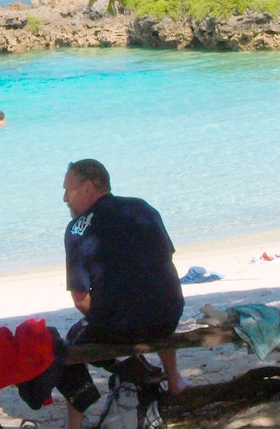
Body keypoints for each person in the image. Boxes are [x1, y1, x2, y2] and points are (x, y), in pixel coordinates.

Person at [59, 159, 189, 429]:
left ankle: (75, 424)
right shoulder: (143, 208)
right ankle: (173, 378)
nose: (64, 199)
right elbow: (163, 263)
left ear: (87, 188)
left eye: (67, 190)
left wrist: (112, 316)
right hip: (169, 316)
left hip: (126, 328)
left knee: (67, 348)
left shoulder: (77, 229)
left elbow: (81, 300)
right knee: (153, 295)